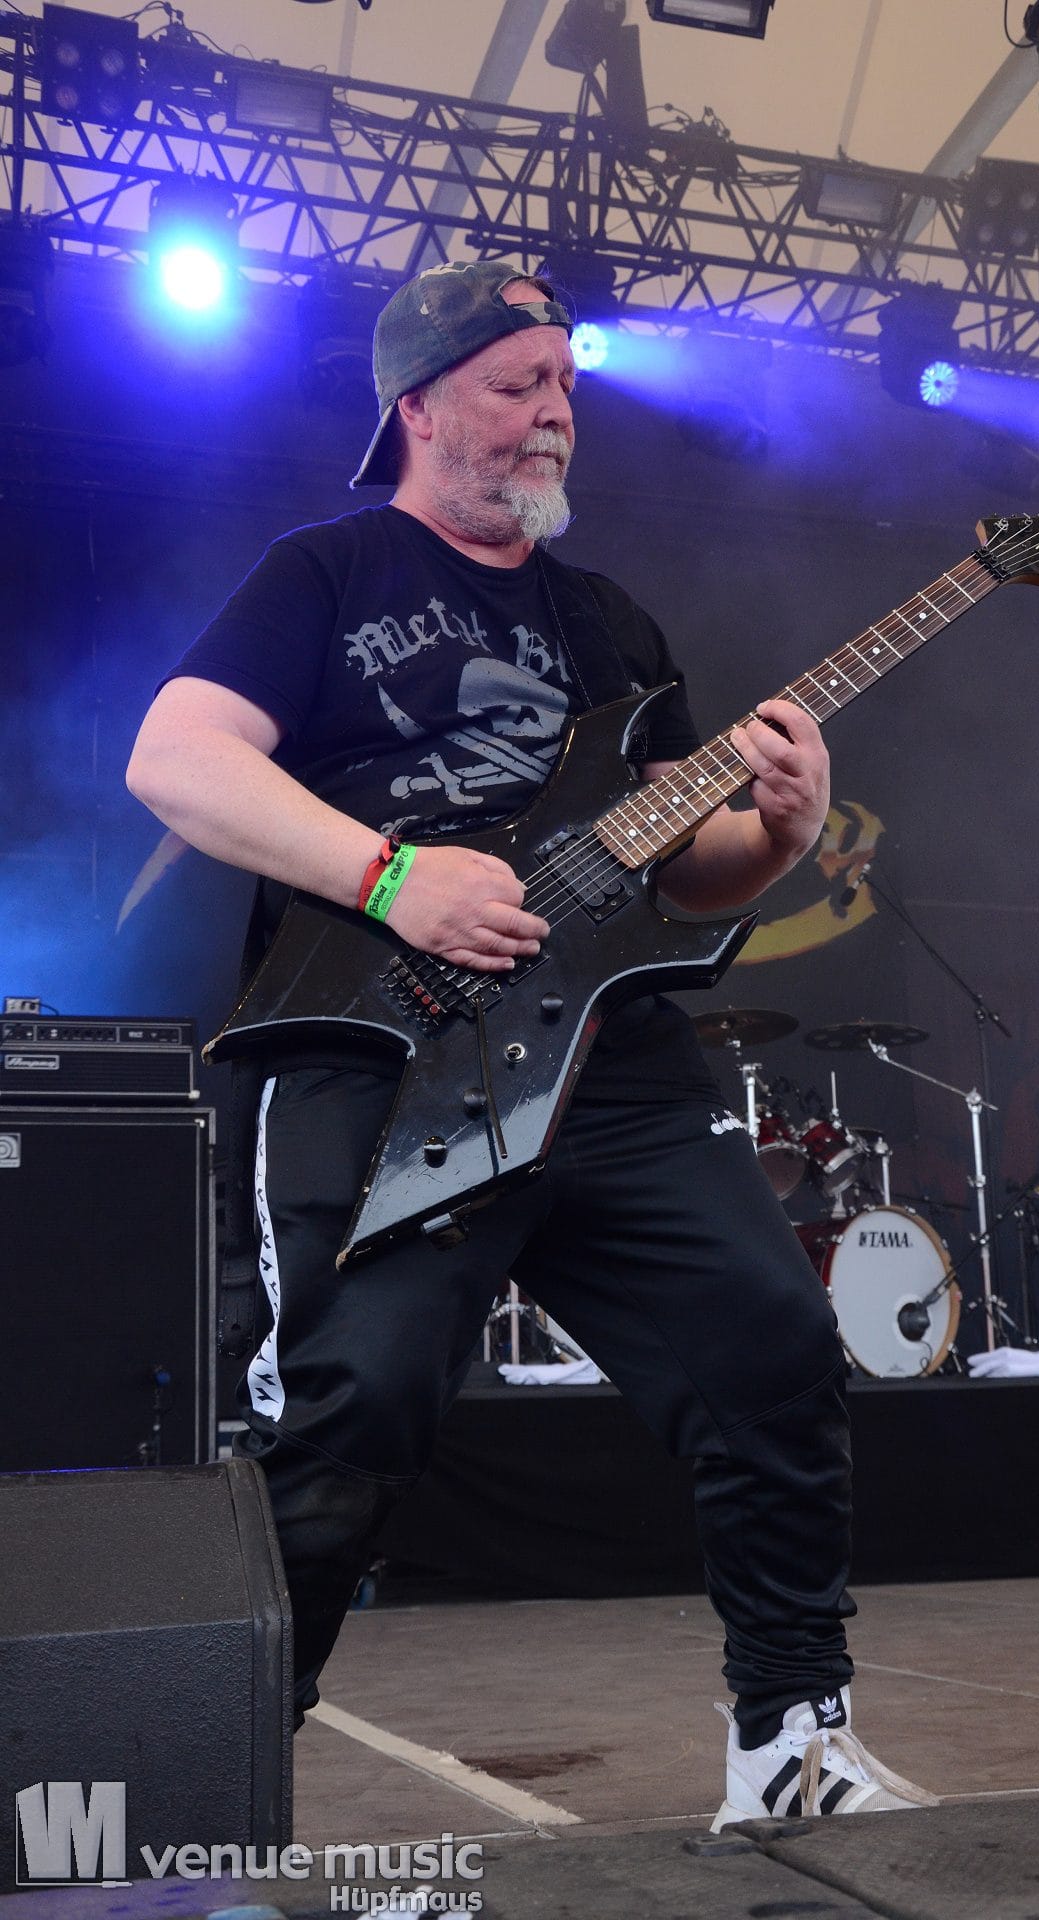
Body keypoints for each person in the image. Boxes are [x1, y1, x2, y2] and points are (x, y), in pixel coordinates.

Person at [126, 259, 936, 1828]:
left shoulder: (606, 622)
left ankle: (790, 1745)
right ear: (419, 408)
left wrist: (779, 833)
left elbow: (677, 874)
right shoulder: (328, 572)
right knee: (353, 1408)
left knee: (772, 1345)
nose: (556, 412)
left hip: (607, 1058)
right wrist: (392, 878)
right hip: (383, 1047)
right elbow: (179, 757)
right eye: (518, 384)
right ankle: (198, 1786)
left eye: (567, 383)